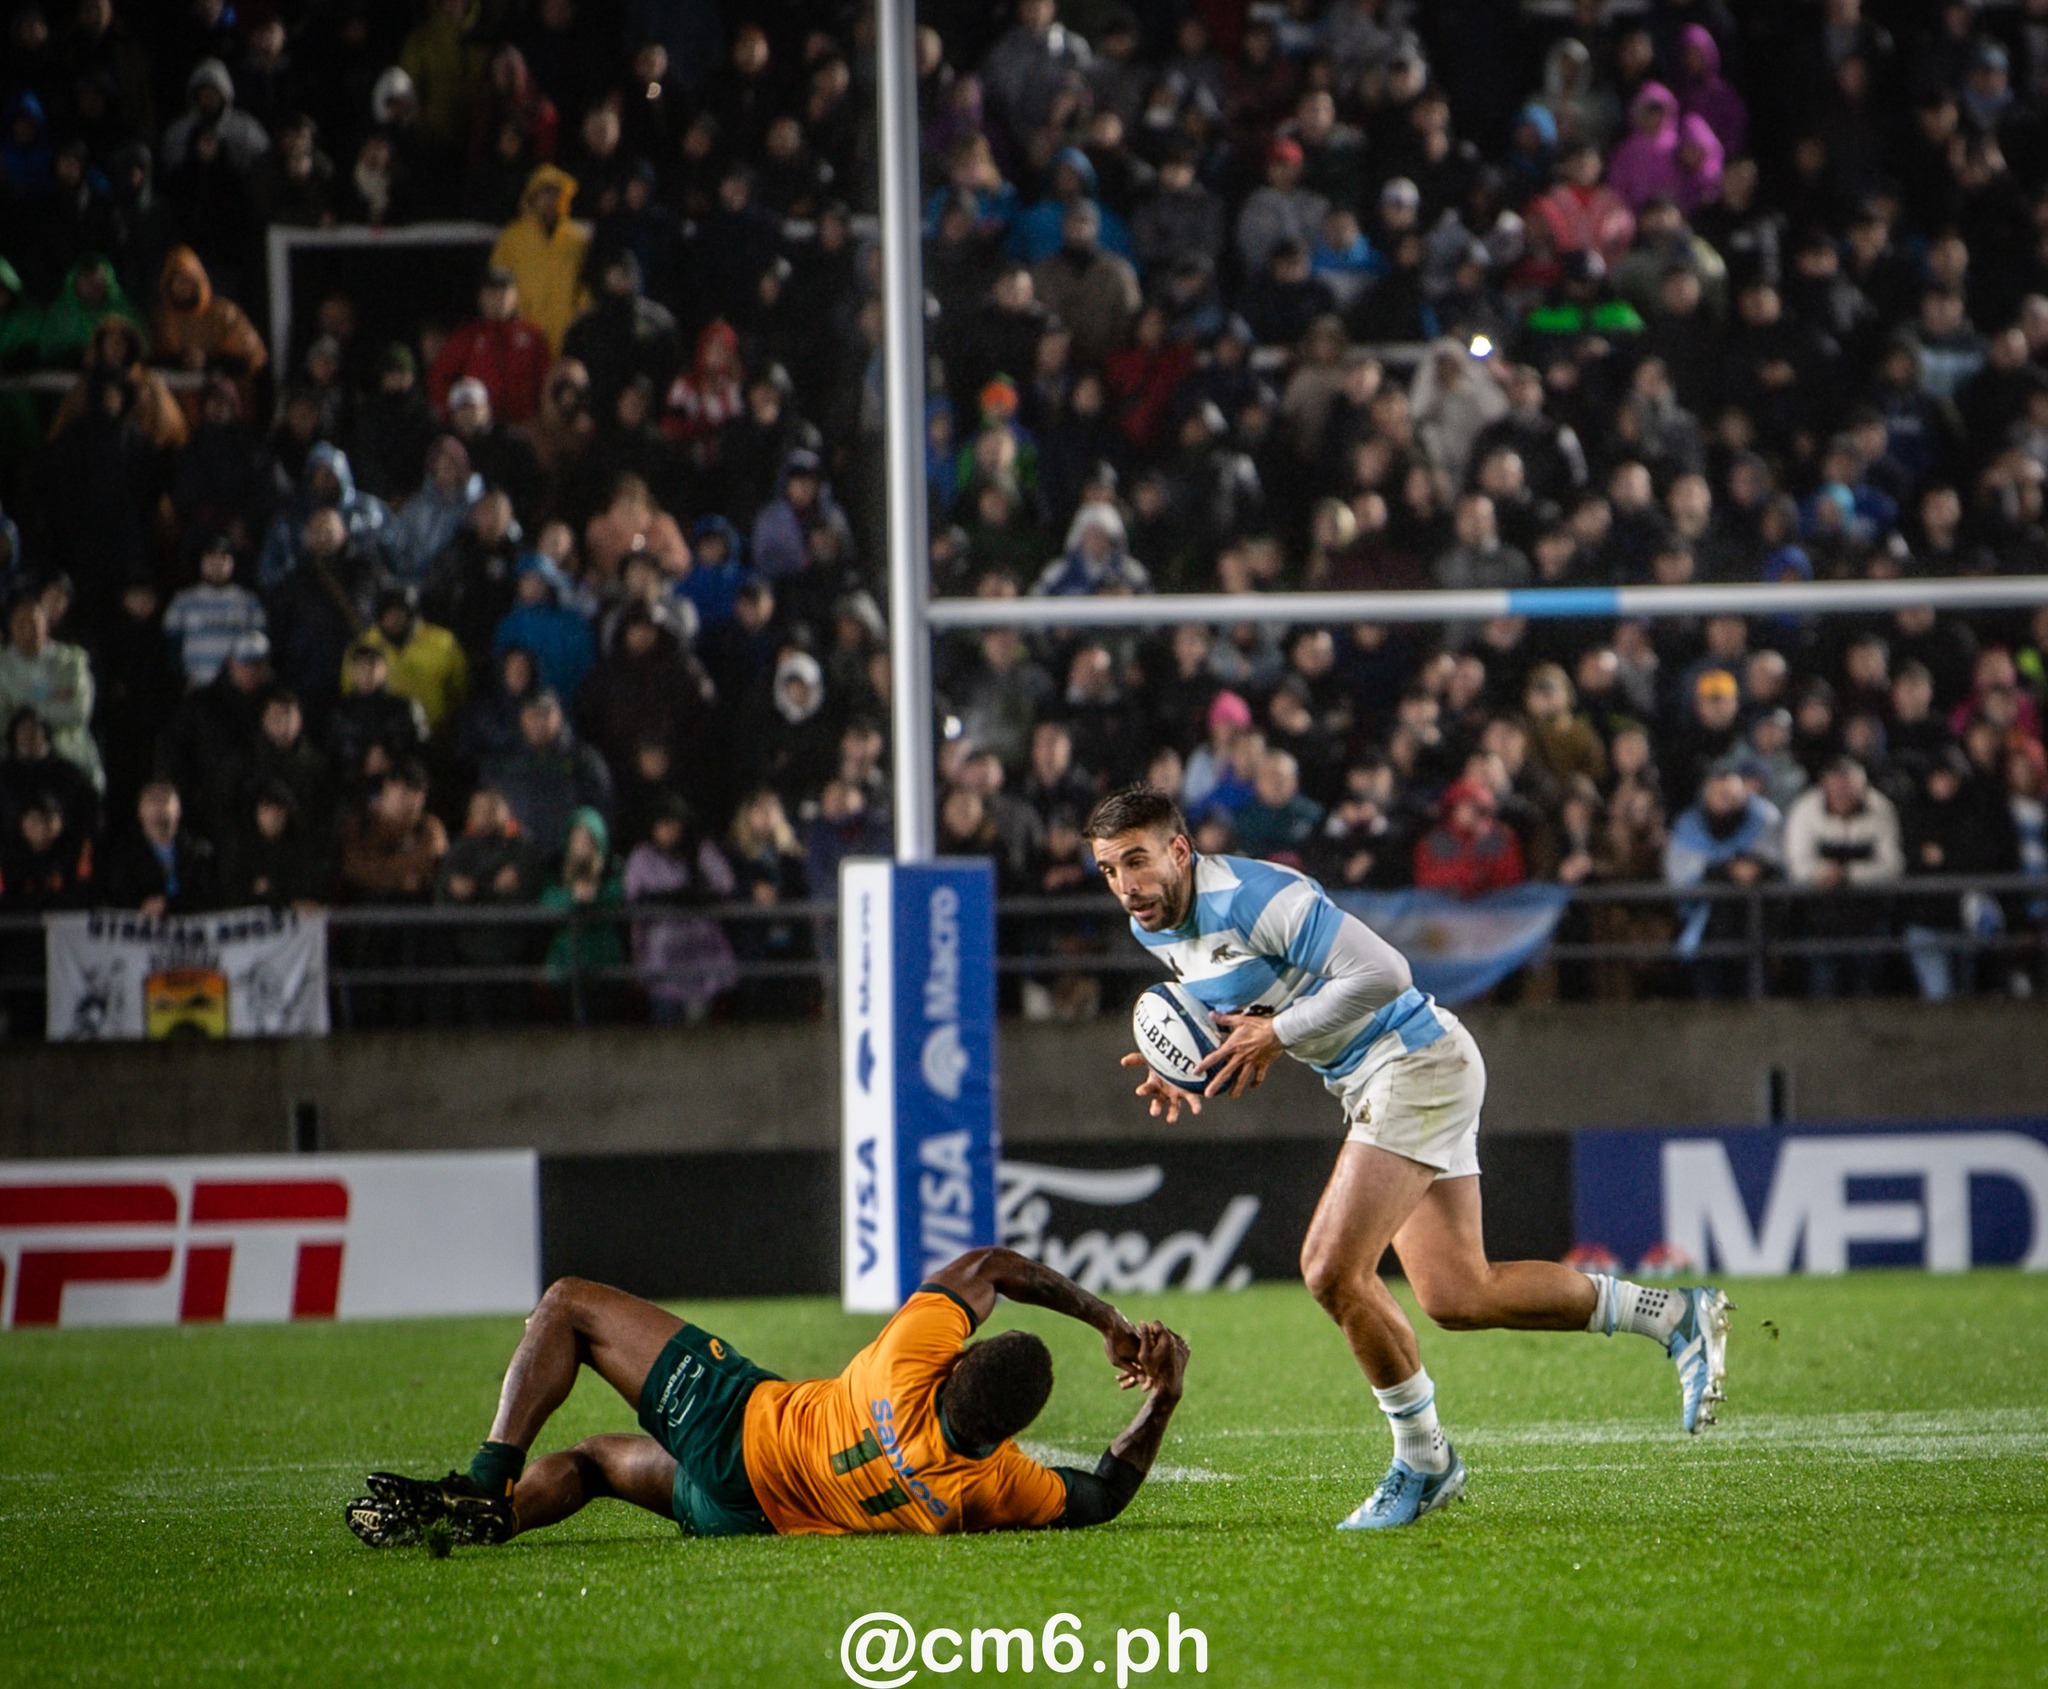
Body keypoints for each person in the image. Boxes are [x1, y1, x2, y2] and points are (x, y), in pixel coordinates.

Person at [1083, 785, 1728, 1531]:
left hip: (1413, 1059)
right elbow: (1244, 1006)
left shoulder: (1259, 897)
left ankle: (1422, 1459)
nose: (1125, 886)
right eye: (1107, 869)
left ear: (1179, 850)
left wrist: (1279, 1033)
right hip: (1382, 1075)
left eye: (1136, 860)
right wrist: (1193, 1059)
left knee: (1329, 1268)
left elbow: (1386, 971)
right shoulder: (1154, 926)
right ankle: (1675, 1315)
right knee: (1460, 1293)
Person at [345, 1245, 1189, 1546]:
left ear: (954, 1364)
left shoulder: (908, 1359)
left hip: (740, 1430)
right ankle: (506, 1517)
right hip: (745, 1515)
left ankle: (488, 1478)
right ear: (1014, 1430)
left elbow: (996, 1265)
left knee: (568, 1303)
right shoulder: (988, 1488)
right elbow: (1105, 1492)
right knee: (593, 1462)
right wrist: (1166, 1396)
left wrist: (1106, 1319)